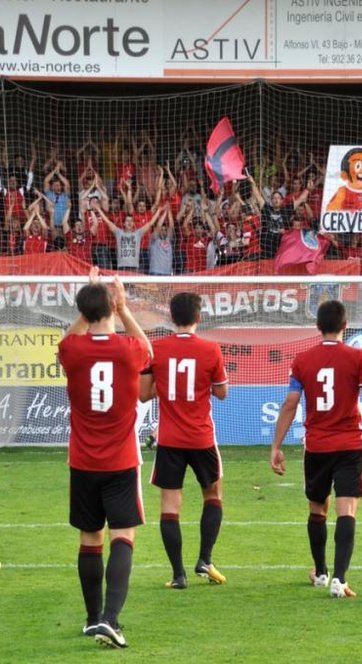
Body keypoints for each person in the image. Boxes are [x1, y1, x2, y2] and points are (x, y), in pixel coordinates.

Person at [58, 268, 151, 649]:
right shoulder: (129, 351)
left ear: (81, 312)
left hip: (83, 461)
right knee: (123, 536)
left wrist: (91, 301)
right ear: (111, 309)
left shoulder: (72, 350)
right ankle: (111, 620)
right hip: (121, 460)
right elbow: (148, 348)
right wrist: (124, 308)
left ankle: (92, 618)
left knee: (89, 537)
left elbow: (67, 339)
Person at [270, 300, 362, 599]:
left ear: (318, 327)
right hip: (348, 445)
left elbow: (290, 404)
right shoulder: (359, 357)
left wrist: (276, 446)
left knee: (317, 508)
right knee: (347, 510)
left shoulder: (303, 360)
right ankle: (340, 579)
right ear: (345, 326)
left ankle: (320, 573)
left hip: (316, 446)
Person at [139, 292, 229, 590]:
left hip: (170, 439)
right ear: (198, 318)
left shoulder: (157, 349)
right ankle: (205, 558)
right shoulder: (211, 349)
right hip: (201, 437)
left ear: (171, 318)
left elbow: (143, 393)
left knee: (170, 505)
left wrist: (165, 386)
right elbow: (222, 392)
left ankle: (178, 575)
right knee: (213, 494)